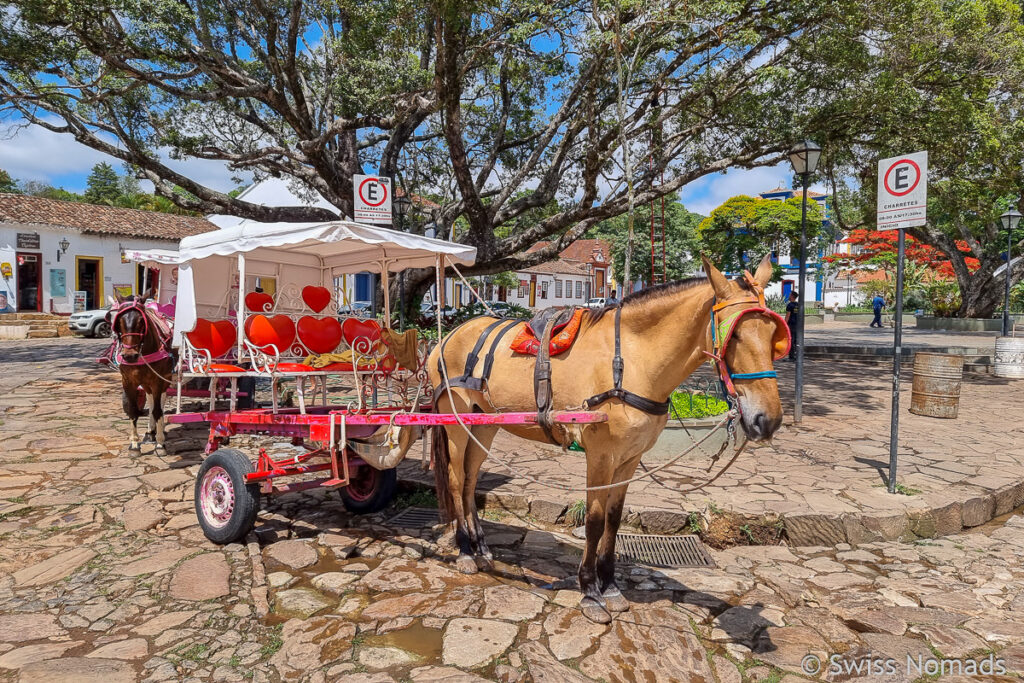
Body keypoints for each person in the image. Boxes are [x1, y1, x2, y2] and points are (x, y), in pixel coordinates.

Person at [784, 291, 800, 361]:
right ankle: (797, 355)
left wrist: (784, 324)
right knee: (796, 340)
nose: (789, 296)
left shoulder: (790, 305)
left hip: (791, 325)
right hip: (797, 324)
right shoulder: (798, 304)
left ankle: (791, 357)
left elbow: (788, 316)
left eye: (790, 295)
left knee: (791, 340)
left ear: (792, 296)